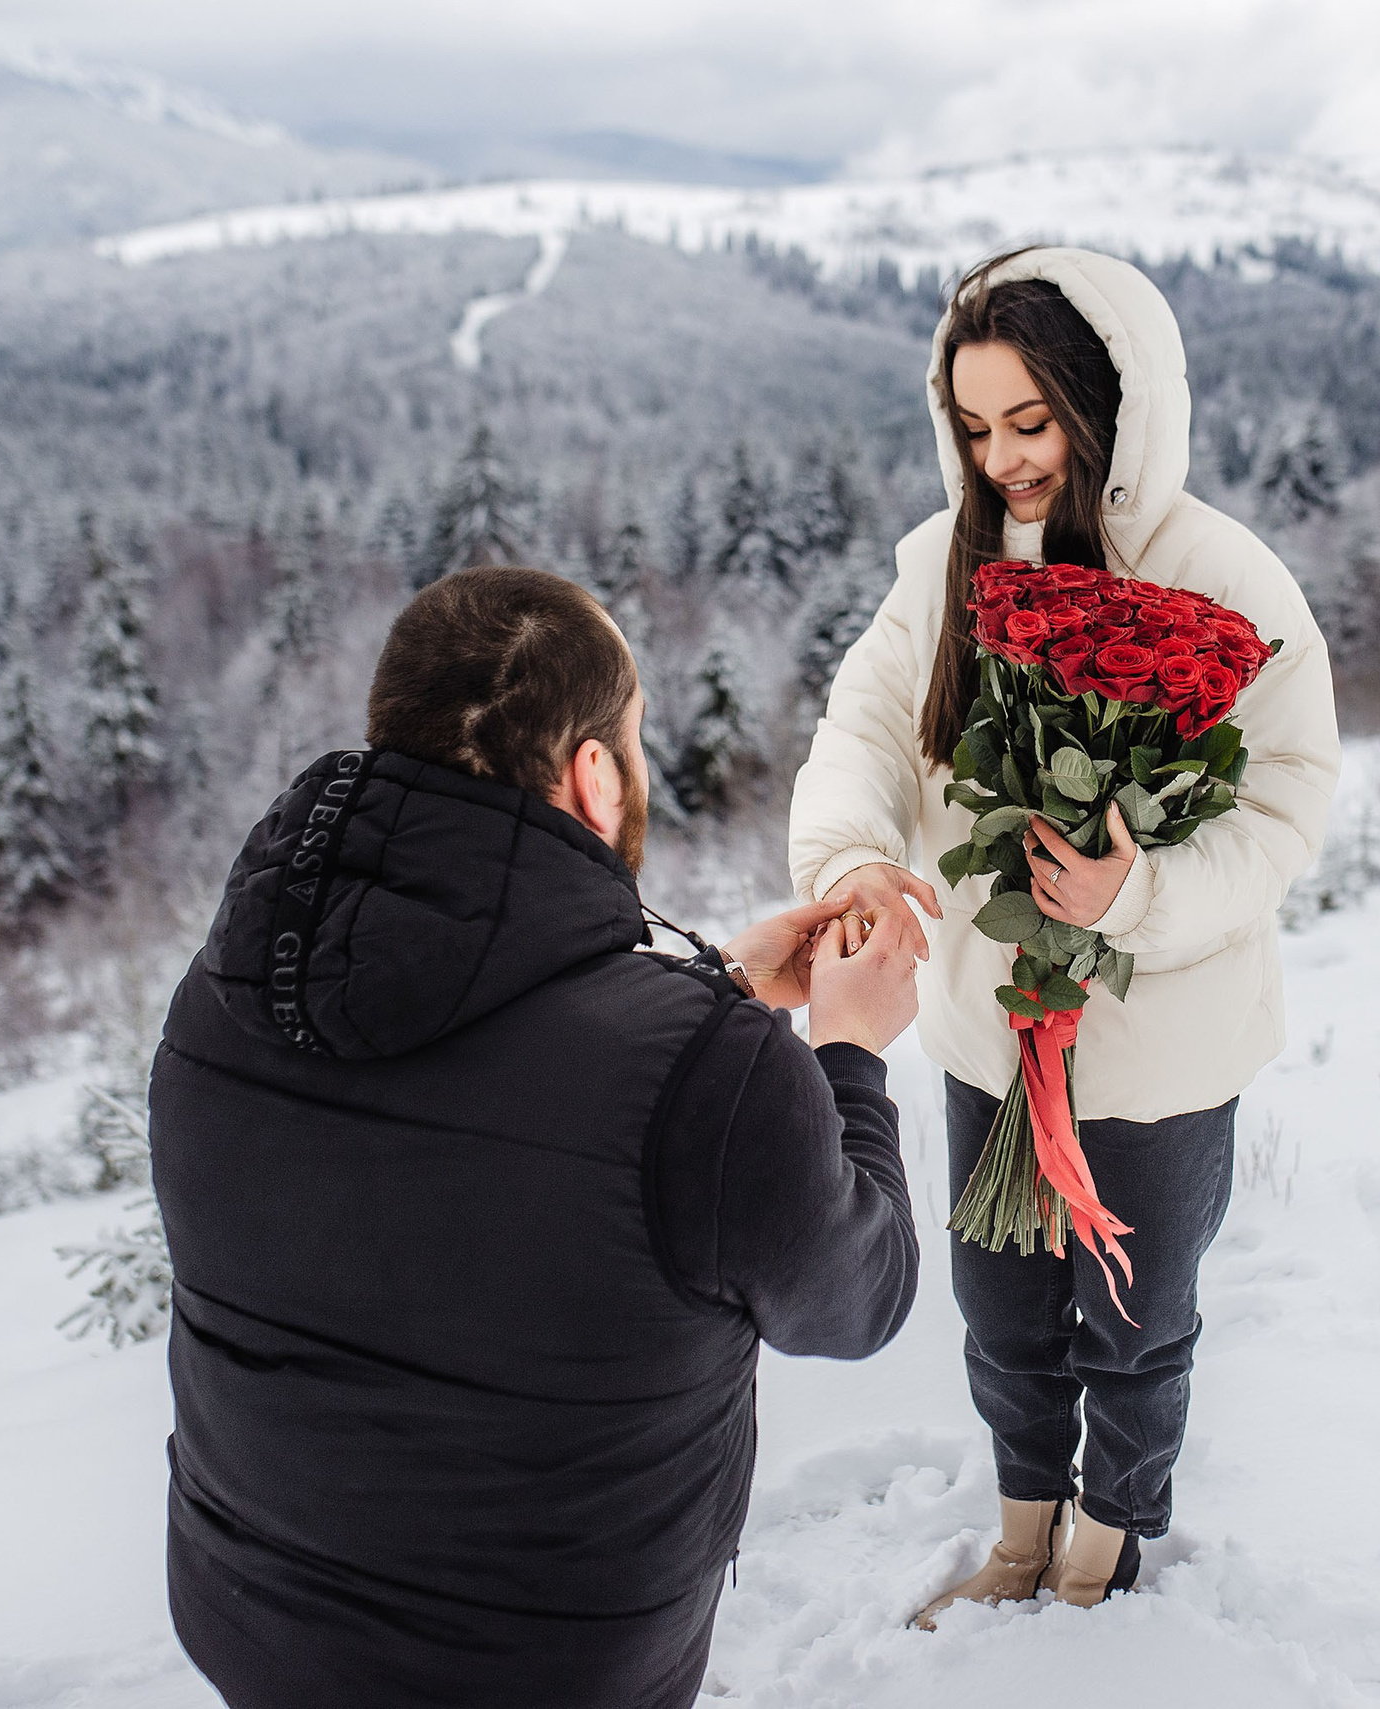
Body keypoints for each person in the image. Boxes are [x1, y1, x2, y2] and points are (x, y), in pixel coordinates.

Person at [151, 566, 922, 1708]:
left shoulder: (223, 1000)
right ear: (595, 771)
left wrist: (717, 986)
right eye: (637, 736)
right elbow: (858, 1296)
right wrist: (848, 1050)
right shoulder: (712, 1073)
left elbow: (493, 1091)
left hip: (252, 1622)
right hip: (547, 1669)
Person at [787, 247, 1342, 1619]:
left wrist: (1133, 895)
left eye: (1029, 423)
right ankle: (1021, 1530)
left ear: (1107, 405)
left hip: (1158, 1051)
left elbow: (1284, 805)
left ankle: (1108, 1543)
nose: (1003, 458)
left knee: (1137, 1325)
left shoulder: (1227, 579)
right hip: (989, 1034)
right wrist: (856, 852)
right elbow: (862, 728)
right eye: (975, 428)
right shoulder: (948, 565)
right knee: (1004, 1317)